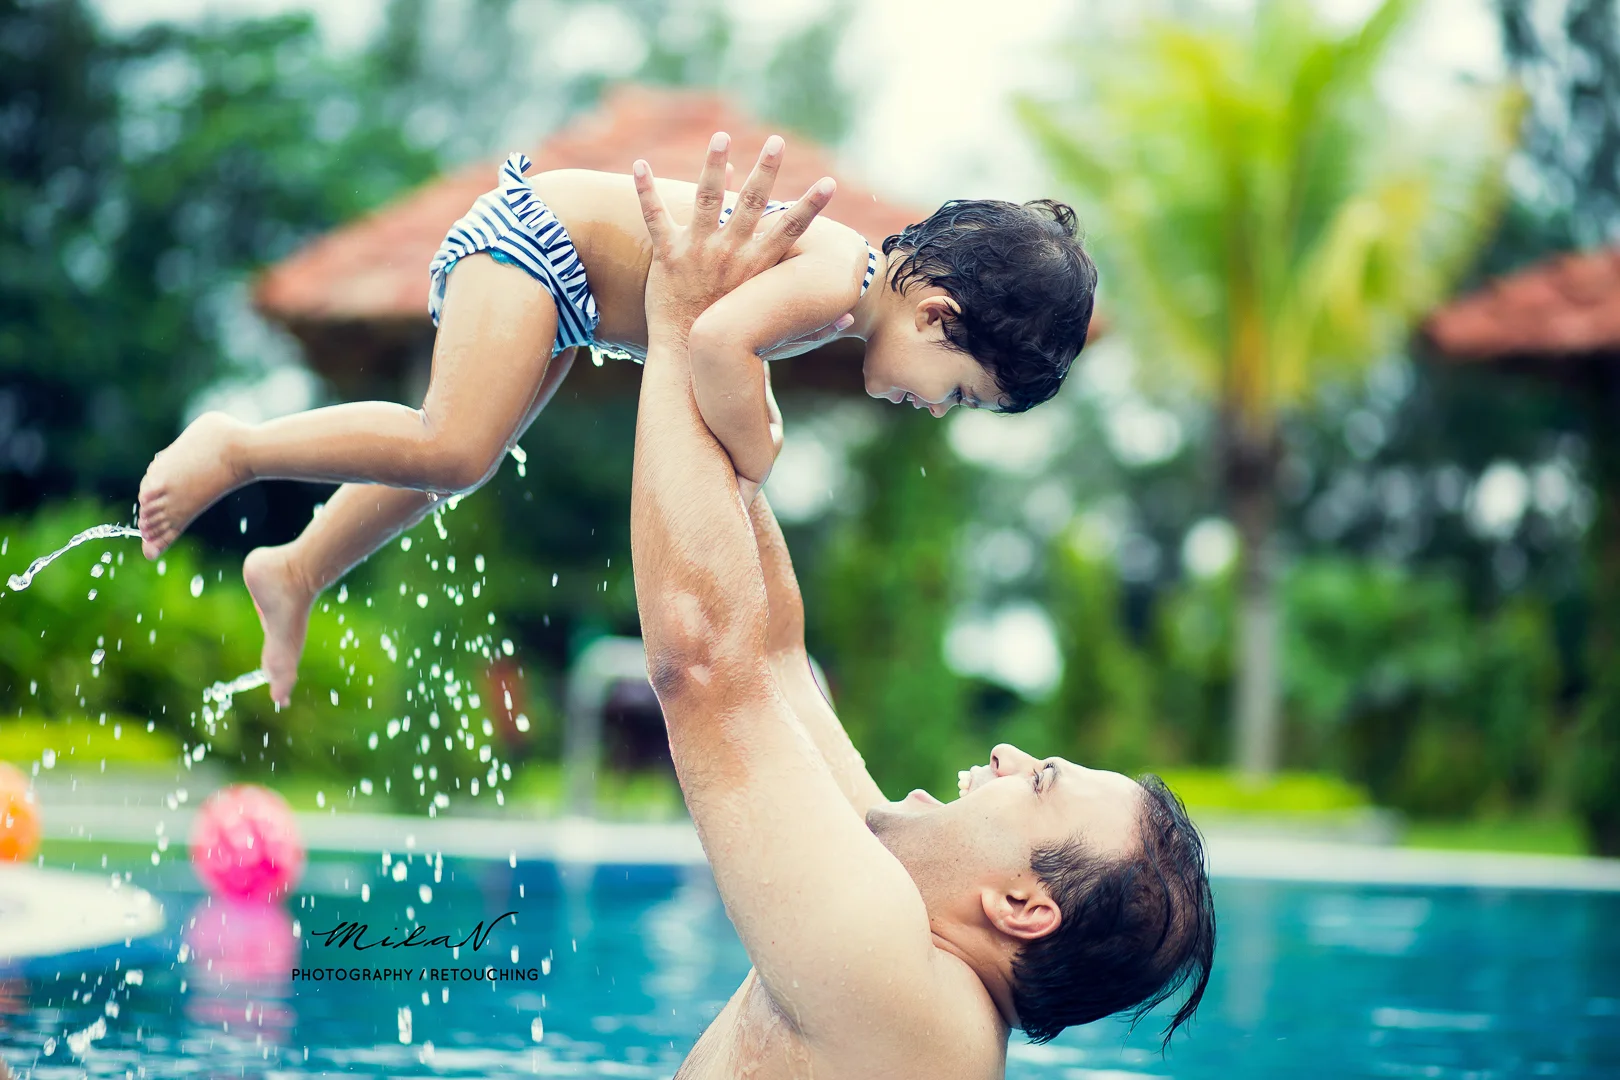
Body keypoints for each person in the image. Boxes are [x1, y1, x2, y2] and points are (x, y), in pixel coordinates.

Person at [629, 136, 1213, 1077]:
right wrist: (729, 394)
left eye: (1038, 783)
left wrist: (675, 320)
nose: (1006, 755)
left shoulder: (906, 998)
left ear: (1024, 906)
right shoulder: (898, 919)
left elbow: (703, 669)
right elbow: (773, 660)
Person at [135, 138, 1100, 707]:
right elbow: (718, 343)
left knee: (459, 463)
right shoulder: (834, 273)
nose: (937, 411)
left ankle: (299, 567)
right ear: (935, 315)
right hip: (537, 242)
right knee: (454, 442)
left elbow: (712, 342)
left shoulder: (841, 302)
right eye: (959, 392)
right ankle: (238, 445)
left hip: (576, 295)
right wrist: (760, 438)